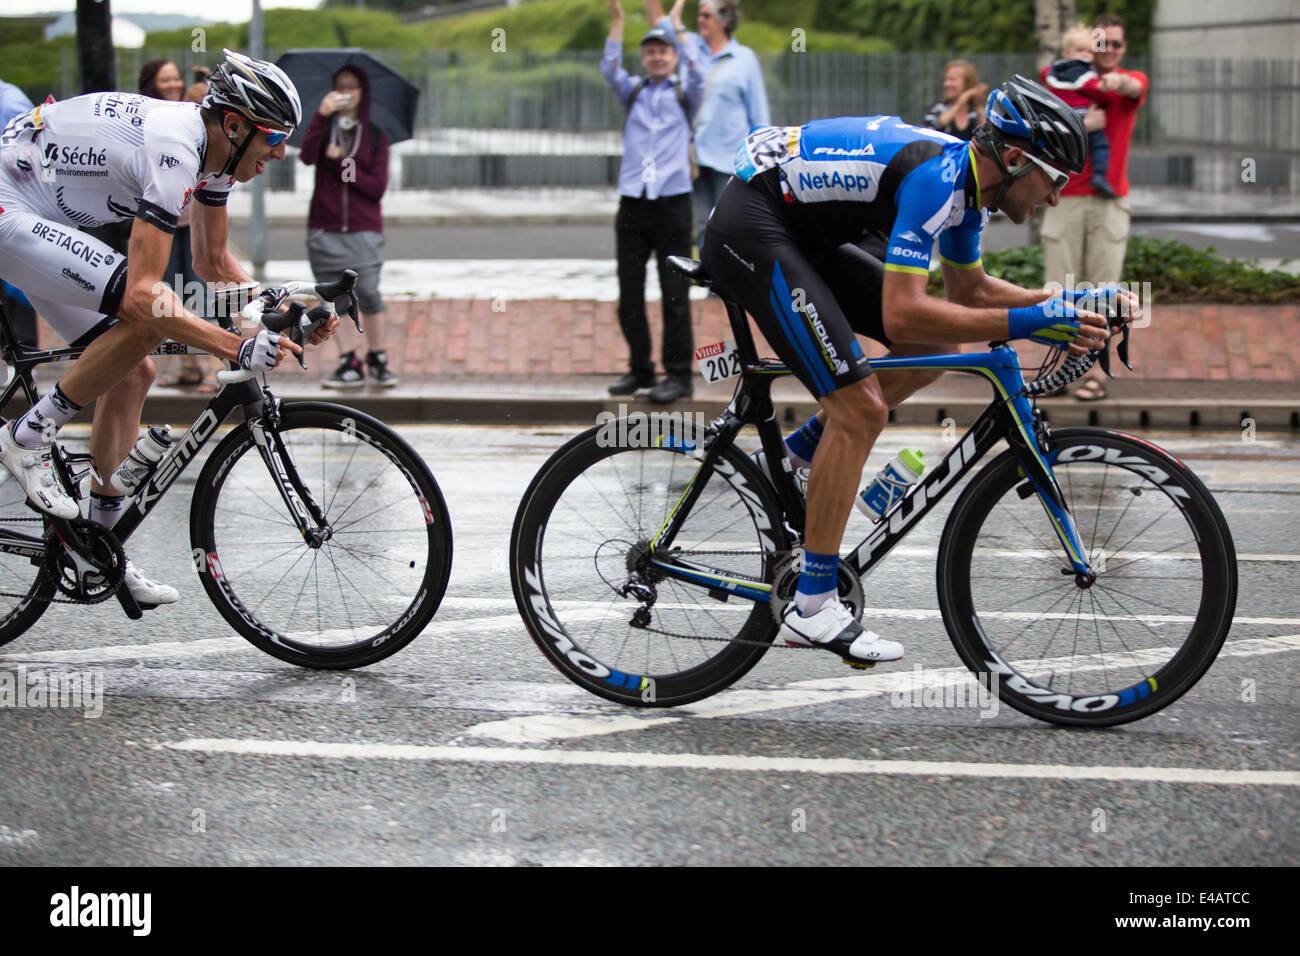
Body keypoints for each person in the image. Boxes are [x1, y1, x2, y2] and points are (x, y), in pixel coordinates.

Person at [700, 77, 1134, 664]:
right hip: (752, 225)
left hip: (801, 232)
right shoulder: (937, 180)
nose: (1055, 198)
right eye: (1053, 180)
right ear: (1012, 158)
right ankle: (813, 606)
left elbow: (971, 291)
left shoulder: (969, 188)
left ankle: (802, 456)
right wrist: (1033, 322)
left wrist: (1067, 304)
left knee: (944, 354)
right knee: (860, 410)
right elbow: (902, 315)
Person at [0, 49, 337, 605]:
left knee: (133, 374)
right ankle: (26, 435)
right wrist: (236, 343)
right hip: (12, 208)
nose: (280, 152)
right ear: (235, 125)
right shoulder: (177, 151)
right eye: (273, 137)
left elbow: (212, 265)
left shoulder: (217, 159)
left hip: (42, 216)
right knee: (150, 313)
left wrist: (284, 303)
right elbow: (145, 295)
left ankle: (99, 550)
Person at [1039, 12, 1148, 402]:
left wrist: (1114, 82)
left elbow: (1131, 86)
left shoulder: (1125, 84)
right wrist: (1083, 125)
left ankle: (1096, 373)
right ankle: (1061, 369)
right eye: (1100, 42)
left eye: (1115, 44)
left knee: (1105, 292)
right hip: (1065, 197)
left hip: (1108, 201)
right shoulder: (1061, 79)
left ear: (1123, 48)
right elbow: (1042, 124)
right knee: (1060, 290)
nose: (1107, 50)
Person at [601, 0, 705, 404]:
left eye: (663, 51)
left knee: (675, 295)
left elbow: (700, 74)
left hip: (673, 204)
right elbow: (609, 70)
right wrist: (617, 21)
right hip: (633, 203)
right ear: (643, 58)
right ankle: (639, 369)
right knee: (629, 292)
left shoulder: (685, 93)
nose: (656, 56)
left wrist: (677, 26)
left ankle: (679, 375)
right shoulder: (634, 92)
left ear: (673, 56)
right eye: (650, 51)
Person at [300, 64, 397, 388]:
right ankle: (348, 361)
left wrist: (342, 161)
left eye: (352, 87)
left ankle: (378, 356)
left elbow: (375, 187)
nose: (346, 93)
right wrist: (319, 116)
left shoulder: (375, 135)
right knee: (334, 299)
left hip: (363, 228)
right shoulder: (325, 128)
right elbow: (307, 157)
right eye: (339, 87)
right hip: (324, 228)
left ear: (363, 91)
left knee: (368, 292)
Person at [646, 0, 769, 252]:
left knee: (732, 222)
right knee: (702, 223)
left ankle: (734, 282)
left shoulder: (744, 58)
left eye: (706, 15)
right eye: (699, 15)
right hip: (692, 156)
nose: (700, 19)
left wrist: (763, 161)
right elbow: (656, 18)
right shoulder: (689, 44)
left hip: (730, 158)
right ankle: (708, 283)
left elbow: (759, 114)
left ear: (724, 21)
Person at [1044, 25, 1116, 199]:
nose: (1085, 55)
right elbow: (1097, 91)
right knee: (1099, 145)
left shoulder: (1054, 71)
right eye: (1080, 50)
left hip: (1059, 118)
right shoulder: (1083, 73)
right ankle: (1100, 175)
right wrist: (1106, 95)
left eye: (1089, 51)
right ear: (1067, 52)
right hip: (1082, 115)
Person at [0, 76, 38, 348]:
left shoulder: (10, 99)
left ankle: (22, 350)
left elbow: (27, 157)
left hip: (13, 205)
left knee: (19, 281)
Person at [922, 60, 988, 141]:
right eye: (945, 80)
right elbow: (928, 133)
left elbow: (988, 136)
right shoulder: (937, 109)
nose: (946, 84)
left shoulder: (975, 112)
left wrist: (978, 103)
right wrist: (960, 102)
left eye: (952, 79)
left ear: (967, 83)